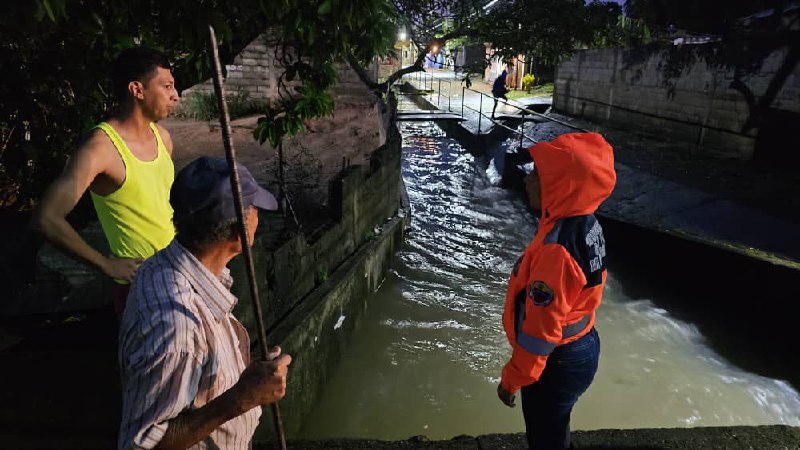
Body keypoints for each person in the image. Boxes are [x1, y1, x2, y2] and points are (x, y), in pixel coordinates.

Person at [119, 156, 292, 449]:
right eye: (254, 210)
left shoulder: (163, 265)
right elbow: (141, 445)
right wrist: (242, 397)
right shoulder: (178, 326)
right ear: (238, 232)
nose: (259, 218)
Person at [31, 47, 179, 318]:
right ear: (137, 89)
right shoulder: (101, 148)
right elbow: (47, 218)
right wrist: (105, 264)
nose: (175, 95)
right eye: (167, 86)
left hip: (177, 275)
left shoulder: (163, 138)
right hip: (139, 289)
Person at [496, 133, 616, 450]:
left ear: (561, 185)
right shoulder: (583, 221)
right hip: (582, 344)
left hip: (558, 360)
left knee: (544, 437)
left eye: (537, 175)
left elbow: (540, 333)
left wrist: (512, 379)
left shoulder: (557, 251)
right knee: (555, 427)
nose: (527, 179)